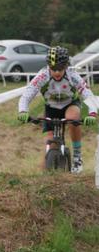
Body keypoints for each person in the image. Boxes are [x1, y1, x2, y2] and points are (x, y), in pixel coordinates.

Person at [17, 45, 97, 173]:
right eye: (53, 69)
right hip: (51, 108)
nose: (57, 72)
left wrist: (92, 113)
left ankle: (77, 157)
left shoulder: (72, 75)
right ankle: (49, 171)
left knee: (72, 118)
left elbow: (88, 94)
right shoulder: (42, 76)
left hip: (70, 104)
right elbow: (26, 95)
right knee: (51, 143)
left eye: (60, 68)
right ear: (48, 66)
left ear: (66, 66)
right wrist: (23, 111)